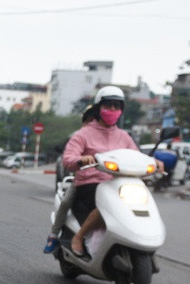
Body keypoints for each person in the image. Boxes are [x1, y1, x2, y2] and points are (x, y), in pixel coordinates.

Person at [44, 86, 146, 257]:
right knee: (106, 205)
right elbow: (68, 158)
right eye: (108, 106)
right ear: (98, 108)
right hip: (89, 183)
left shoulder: (124, 137)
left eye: (116, 106)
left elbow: (136, 156)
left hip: (117, 184)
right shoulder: (82, 134)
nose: (112, 110)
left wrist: (155, 162)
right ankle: (76, 236)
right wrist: (81, 159)